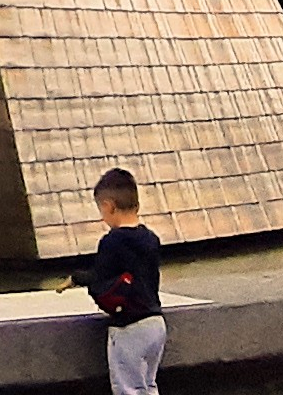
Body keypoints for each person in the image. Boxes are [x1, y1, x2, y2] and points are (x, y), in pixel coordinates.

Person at [73, 167, 165, 394]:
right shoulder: (151, 238)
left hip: (129, 326)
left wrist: (80, 279)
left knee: (127, 388)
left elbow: (102, 279)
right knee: (148, 385)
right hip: (155, 324)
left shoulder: (111, 242)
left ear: (109, 206)